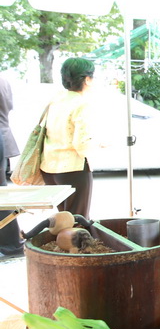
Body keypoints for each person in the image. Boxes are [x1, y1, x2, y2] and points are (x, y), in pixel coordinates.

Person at [41, 58, 98, 219]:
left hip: (49, 168)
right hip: (72, 168)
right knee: (77, 220)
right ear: (87, 79)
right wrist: (97, 146)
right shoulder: (81, 103)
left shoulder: (56, 100)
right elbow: (81, 143)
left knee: (65, 218)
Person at [0, 76, 23, 257]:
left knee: (1, 198)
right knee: (2, 196)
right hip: (3, 136)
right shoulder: (3, 79)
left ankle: (11, 244)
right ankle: (12, 243)